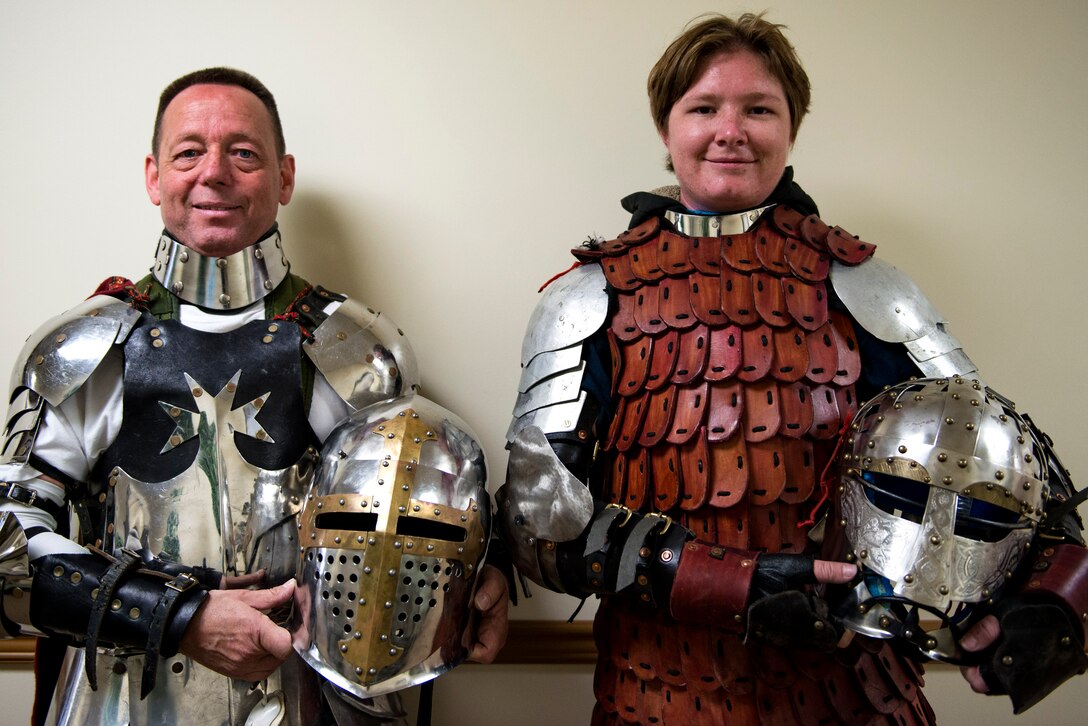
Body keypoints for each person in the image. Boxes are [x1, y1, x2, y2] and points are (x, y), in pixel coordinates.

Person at [497, 13, 1085, 725]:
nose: (731, 131)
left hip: (856, 693)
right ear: (666, 128)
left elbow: (1002, 462)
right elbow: (538, 525)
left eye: (759, 109)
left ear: (791, 127)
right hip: (658, 691)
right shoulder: (588, 299)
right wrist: (725, 583)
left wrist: (1054, 601)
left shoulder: (865, 286)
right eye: (704, 108)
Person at [0, 67, 508, 725]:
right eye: (189, 153)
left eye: (243, 154)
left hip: (311, 696)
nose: (214, 173)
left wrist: (481, 572)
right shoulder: (82, 349)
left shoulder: (357, 349)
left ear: (283, 177)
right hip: (123, 698)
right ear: (154, 177)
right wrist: (179, 617)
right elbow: (8, 551)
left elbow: (422, 510)